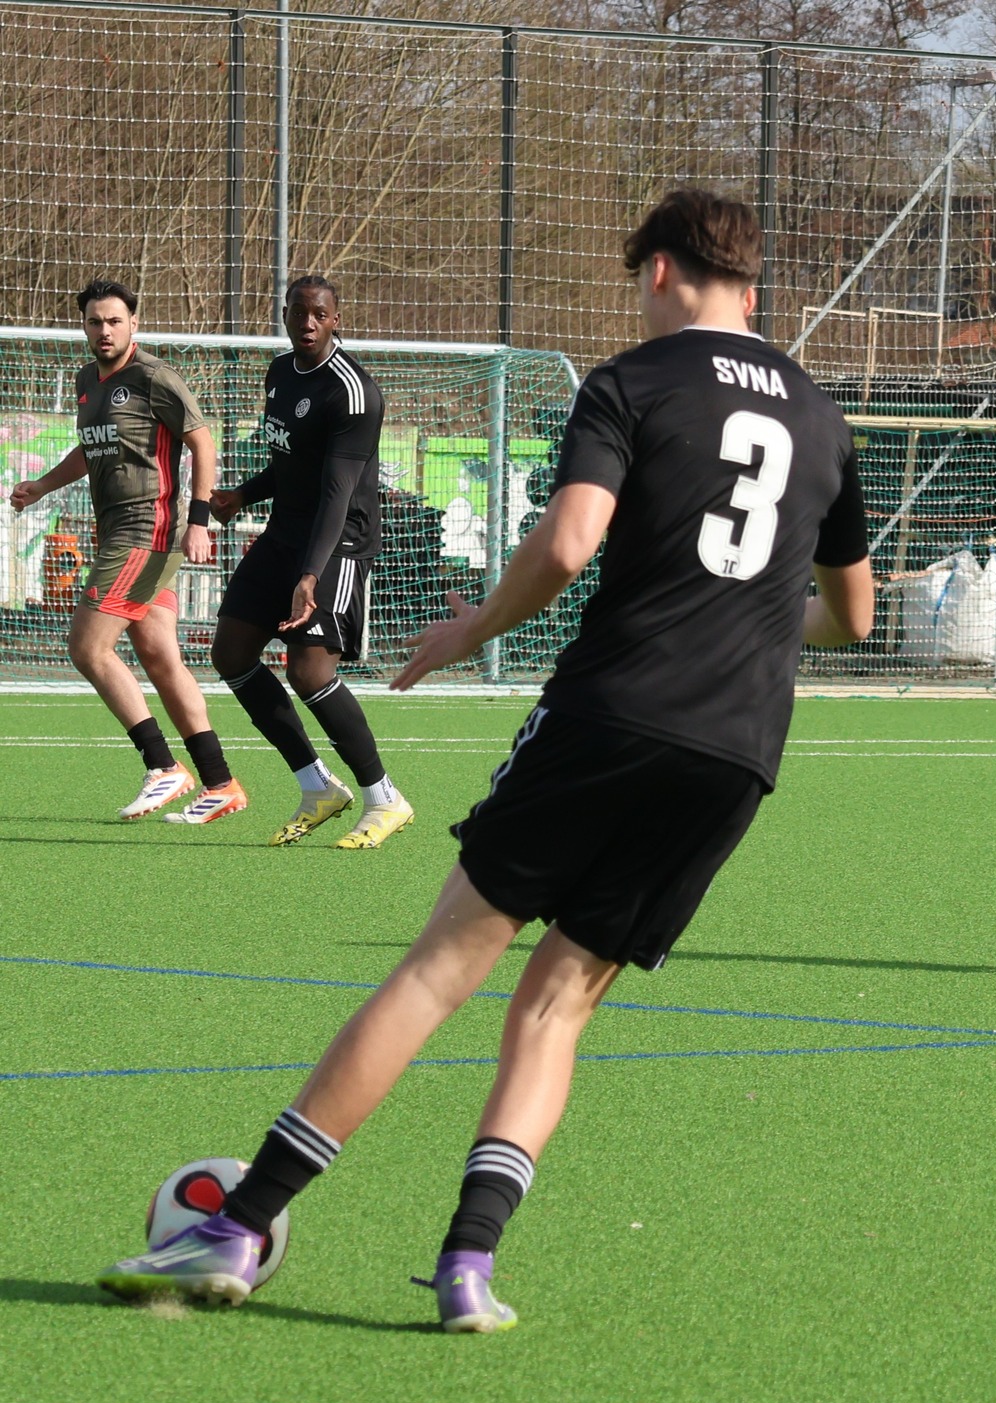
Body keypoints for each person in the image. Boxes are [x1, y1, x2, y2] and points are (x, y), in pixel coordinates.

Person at [98, 189, 875, 1328]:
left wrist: (473, 628)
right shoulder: (821, 415)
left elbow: (568, 544)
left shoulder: (631, 383)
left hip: (611, 714)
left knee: (438, 971)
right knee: (557, 1009)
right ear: (749, 288)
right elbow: (849, 619)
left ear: (659, 272)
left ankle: (234, 1223)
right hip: (739, 750)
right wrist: (744, 625)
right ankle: (469, 1269)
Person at [8, 279, 246, 824]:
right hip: (118, 529)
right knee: (160, 656)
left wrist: (200, 520)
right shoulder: (86, 380)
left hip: (146, 530)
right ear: (84, 327)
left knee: (87, 649)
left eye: (115, 320)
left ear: (133, 323)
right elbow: (93, 449)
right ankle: (220, 781)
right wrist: (42, 485)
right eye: (95, 321)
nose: (105, 330)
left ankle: (163, 767)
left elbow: (202, 442)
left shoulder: (154, 377)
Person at [207, 275, 411, 849]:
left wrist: (310, 575)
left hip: (338, 542)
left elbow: (336, 491)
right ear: (285, 313)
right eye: (298, 311)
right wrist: (243, 495)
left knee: (310, 671)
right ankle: (316, 785)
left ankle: (383, 797)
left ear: (336, 319)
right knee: (231, 651)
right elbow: (291, 466)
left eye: (319, 313)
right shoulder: (278, 373)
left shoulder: (354, 392)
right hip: (283, 535)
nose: (308, 322)